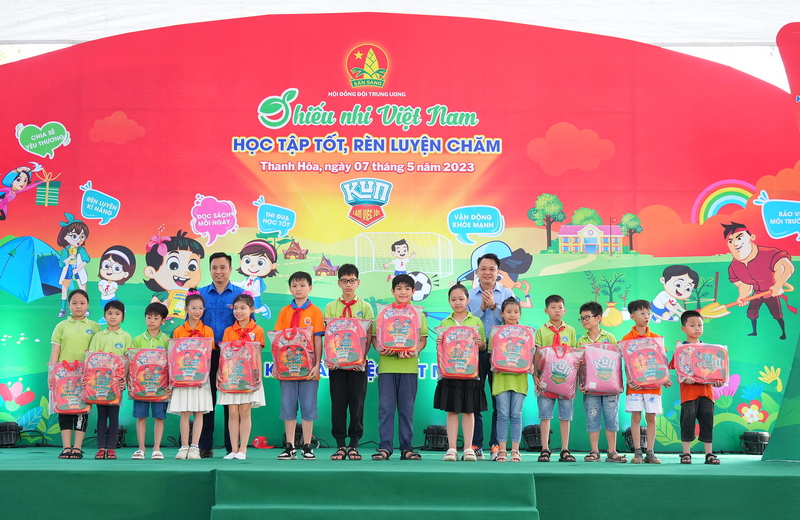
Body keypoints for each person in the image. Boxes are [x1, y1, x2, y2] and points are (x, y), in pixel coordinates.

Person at [372, 274, 428, 460]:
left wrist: (414, 351)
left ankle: (407, 448)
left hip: (409, 368)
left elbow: (422, 339)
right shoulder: (383, 312)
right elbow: (374, 337)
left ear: (413, 291)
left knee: (407, 410)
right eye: (399, 288)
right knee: (386, 409)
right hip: (386, 368)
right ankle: (385, 447)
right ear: (392, 291)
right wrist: (380, 348)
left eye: (407, 289)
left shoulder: (418, 313)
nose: (403, 292)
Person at [465, 251, 514, 460]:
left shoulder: (508, 294)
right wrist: (481, 308)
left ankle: (496, 445)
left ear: (498, 272)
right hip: (474, 354)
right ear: (477, 271)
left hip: (500, 355)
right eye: (483, 269)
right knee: (474, 400)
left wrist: (494, 307)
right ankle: (476, 444)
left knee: (499, 401)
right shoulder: (468, 295)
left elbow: (512, 323)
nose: (487, 272)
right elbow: (465, 324)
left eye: (491, 269)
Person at [324, 264, 374, 461]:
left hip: (358, 366)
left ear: (358, 282)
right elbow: (329, 337)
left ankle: (353, 445)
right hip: (337, 365)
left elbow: (368, 336)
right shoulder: (330, 307)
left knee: (357, 404)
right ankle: (340, 445)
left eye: (352, 281)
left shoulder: (365, 307)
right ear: (339, 283)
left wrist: (360, 359)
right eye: (344, 281)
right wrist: (331, 359)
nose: (348, 285)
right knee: (338, 404)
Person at [198, 252, 244, 457]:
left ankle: (231, 447)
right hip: (205, 355)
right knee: (205, 401)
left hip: (232, 357)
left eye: (223, 267)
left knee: (231, 402)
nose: (218, 271)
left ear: (230, 269)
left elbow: (249, 325)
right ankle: (204, 446)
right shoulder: (199, 295)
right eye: (214, 267)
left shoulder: (241, 295)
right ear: (210, 270)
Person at [274, 271, 324, 460]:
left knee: (309, 406)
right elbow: (278, 340)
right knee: (288, 406)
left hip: (309, 369)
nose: (298, 289)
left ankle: (307, 445)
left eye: (302, 285)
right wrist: (277, 365)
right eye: (294, 285)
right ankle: (290, 446)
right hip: (287, 368)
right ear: (290, 288)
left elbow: (318, 340)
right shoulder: (284, 312)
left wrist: (317, 364)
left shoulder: (315, 311)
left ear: (310, 287)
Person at [435, 283, 487, 461]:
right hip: (450, 371)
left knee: (468, 410)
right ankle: (451, 448)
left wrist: (480, 342)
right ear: (449, 301)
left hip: (470, 371)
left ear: (468, 300)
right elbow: (441, 349)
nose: (457, 302)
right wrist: (439, 342)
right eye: (453, 299)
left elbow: (483, 346)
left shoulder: (476, 321)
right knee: (451, 410)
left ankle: (468, 448)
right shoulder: (445, 323)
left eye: (461, 299)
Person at [49, 289, 100, 459]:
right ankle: (66, 447)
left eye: (82, 303)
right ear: (69, 305)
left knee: (82, 410)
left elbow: (96, 354)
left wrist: (92, 375)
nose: (78, 306)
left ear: (88, 305)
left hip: (85, 375)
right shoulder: (61, 326)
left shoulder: (94, 327)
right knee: (63, 409)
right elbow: (55, 351)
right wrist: (51, 373)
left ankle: (77, 447)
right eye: (74, 303)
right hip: (63, 375)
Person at [723, 222, 795, 339]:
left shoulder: (769, 254)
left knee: (777, 314)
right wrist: (743, 296)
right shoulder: (734, 266)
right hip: (757, 294)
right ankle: (754, 331)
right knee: (751, 313)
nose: (735, 243)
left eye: (739, 238)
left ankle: (783, 332)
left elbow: (786, 266)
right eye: (731, 241)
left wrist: (778, 285)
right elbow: (744, 284)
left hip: (771, 293)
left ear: (752, 237)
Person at [623, 299, 672, 464]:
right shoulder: (627, 339)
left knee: (651, 417)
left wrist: (665, 379)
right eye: (642, 313)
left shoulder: (657, 339)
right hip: (635, 387)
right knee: (636, 417)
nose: (646, 316)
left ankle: (650, 452)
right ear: (632, 316)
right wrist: (630, 380)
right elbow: (627, 364)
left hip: (653, 387)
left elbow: (662, 362)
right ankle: (637, 452)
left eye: (649, 313)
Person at [577, 301, 626, 462]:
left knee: (611, 417)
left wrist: (618, 384)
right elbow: (579, 365)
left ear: (598, 318)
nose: (584, 320)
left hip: (610, 386)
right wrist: (581, 383)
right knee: (592, 416)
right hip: (590, 388)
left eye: (587, 317)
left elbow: (617, 363)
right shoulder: (581, 340)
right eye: (582, 318)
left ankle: (612, 451)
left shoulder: (609, 337)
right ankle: (594, 451)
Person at [672, 310, 723, 464]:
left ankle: (709, 454)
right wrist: (684, 378)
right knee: (687, 421)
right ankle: (686, 453)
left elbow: (715, 370)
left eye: (700, 325)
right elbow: (677, 369)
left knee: (707, 421)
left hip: (707, 392)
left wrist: (718, 380)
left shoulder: (709, 350)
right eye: (692, 325)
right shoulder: (681, 349)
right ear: (683, 328)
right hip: (688, 393)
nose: (697, 328)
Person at [220, 293, 266, 460]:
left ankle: (243, 450)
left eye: (243, 308)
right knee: (232, 412)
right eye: (236, 308)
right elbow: (224, 355)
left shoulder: (258, 330)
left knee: (245, 411)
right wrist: (219, 373)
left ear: (251, 310)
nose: (238, 311)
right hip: (231, 377)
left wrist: (258, 375)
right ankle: (233, 449)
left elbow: (258, 354)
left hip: (248, 377)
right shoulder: (228, 331)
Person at [169, 291, 214, 460]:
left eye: (201, 308)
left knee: (199, 411)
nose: (197, 311)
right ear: (186, 309)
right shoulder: (178, 331)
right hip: (182, 378)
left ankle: (195, 447)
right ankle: (184, 447)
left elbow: (209, 357)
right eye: (194, 308)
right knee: (185, 411)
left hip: (201, 378)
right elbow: (173, 357)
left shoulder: (208, 331)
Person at [533, 294, 578, 462]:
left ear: (565, 310)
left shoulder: (570, 330)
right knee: (545, 415)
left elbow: (574, 355)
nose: (557, 311)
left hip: (566, 380)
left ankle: (565, 449)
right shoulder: (541, 331)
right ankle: (545, 449)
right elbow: (537, 355)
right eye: (553, 308)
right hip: (545, 380)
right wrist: (534, 375)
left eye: (560, 307)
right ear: (546, 311)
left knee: (565, 416)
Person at [87, 300, 132, 459]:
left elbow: (128, 360)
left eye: (117, 314)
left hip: (116, 385)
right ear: (104, 316)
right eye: (110, 313)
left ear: (123, 317)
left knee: (114, 416)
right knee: (101, 416)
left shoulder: (126, 336)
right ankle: (101, 448)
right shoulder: (98, 336)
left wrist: (124, 379)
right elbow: (91, 359)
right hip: (99, 383)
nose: (113, 316)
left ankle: (111, 448)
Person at [130, 302, 170, 460]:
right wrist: (131, 384)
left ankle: (156, 448)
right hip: (141, 386)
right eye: (149, 317)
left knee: (159, 417)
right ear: (145, 318)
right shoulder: (137, 340)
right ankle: (141, 448)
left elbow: (171, 365)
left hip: (160, 387)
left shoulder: (167, 340)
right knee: (141, 416)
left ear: (163, 321)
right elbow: (132, 363)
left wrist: (170, 385)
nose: (152, 320)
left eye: (156, 318)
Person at [491, 297, 529, 462]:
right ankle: (502, 450)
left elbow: (529, 355)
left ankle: (515, 450)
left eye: (515, 312)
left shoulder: (526, 334)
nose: (512, 315)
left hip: (519, 380)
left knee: (516, 415)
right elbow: (492, 356)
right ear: (502, 313)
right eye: (508, 311)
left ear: (520, 314)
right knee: (502, 414)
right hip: (501, 380)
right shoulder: (496, 333)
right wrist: (495, 364)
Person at [232, 240, 279, 320]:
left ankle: (263, 308)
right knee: (247, 310)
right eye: (247, 261)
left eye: (260, 262)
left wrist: (251, 292)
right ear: (241, 262)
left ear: (273, 266)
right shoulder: (248, 278)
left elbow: (255, 288)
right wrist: (232, 283)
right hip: (247, 297)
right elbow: (241, 283)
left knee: (256, 310)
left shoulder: (257, 280)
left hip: (255, 297)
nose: (253, 266)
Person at [56, 213, 91, 317]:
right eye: (74, 236)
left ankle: (85, 309)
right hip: (68, 269)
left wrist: (78, 269)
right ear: (65, 236)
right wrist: (69, 258)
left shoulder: (81, 249)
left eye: (82, 236)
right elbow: (61, 264)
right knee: (64, 289)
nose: (79, 240)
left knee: (82, 288)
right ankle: (63, 309)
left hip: (78, 269)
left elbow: (86, 260)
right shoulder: (65, 250)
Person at [96, 245, 137, 324]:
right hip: (104, 298)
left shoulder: (114, 283)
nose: (109, 269)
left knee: (116, 306)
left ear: (125, 274)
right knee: (105, 308)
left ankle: (121, 309)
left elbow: (114, 289)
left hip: (112, 297)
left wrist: (109, 292)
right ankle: (105, 318)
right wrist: (103, 292)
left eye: (116, 268)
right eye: (106, 265)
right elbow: (100, 286)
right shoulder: (102, 282)